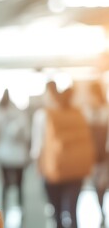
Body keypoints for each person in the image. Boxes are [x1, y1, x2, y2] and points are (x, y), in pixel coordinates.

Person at [31, 82, 94, 228]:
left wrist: (38, 166)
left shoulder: (43, 115)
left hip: (53, 169)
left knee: (57, 212)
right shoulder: (79, 113)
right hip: (77, 169)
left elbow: (37, 146)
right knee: (72, 211)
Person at [0, 89, 30, 219]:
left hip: (4, 153)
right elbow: (27, 135)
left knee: (5, 183)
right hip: (18, 155)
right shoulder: (20, 114)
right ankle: (21, 205)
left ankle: (4, 207)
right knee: (19, 183)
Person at [82, 82, 109, 227]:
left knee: (102, 185)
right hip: (91, 157)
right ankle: (102, 211)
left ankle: (103, 211)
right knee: (97, 186)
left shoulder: (106, 111)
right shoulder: (87, 112)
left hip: (105, 156)